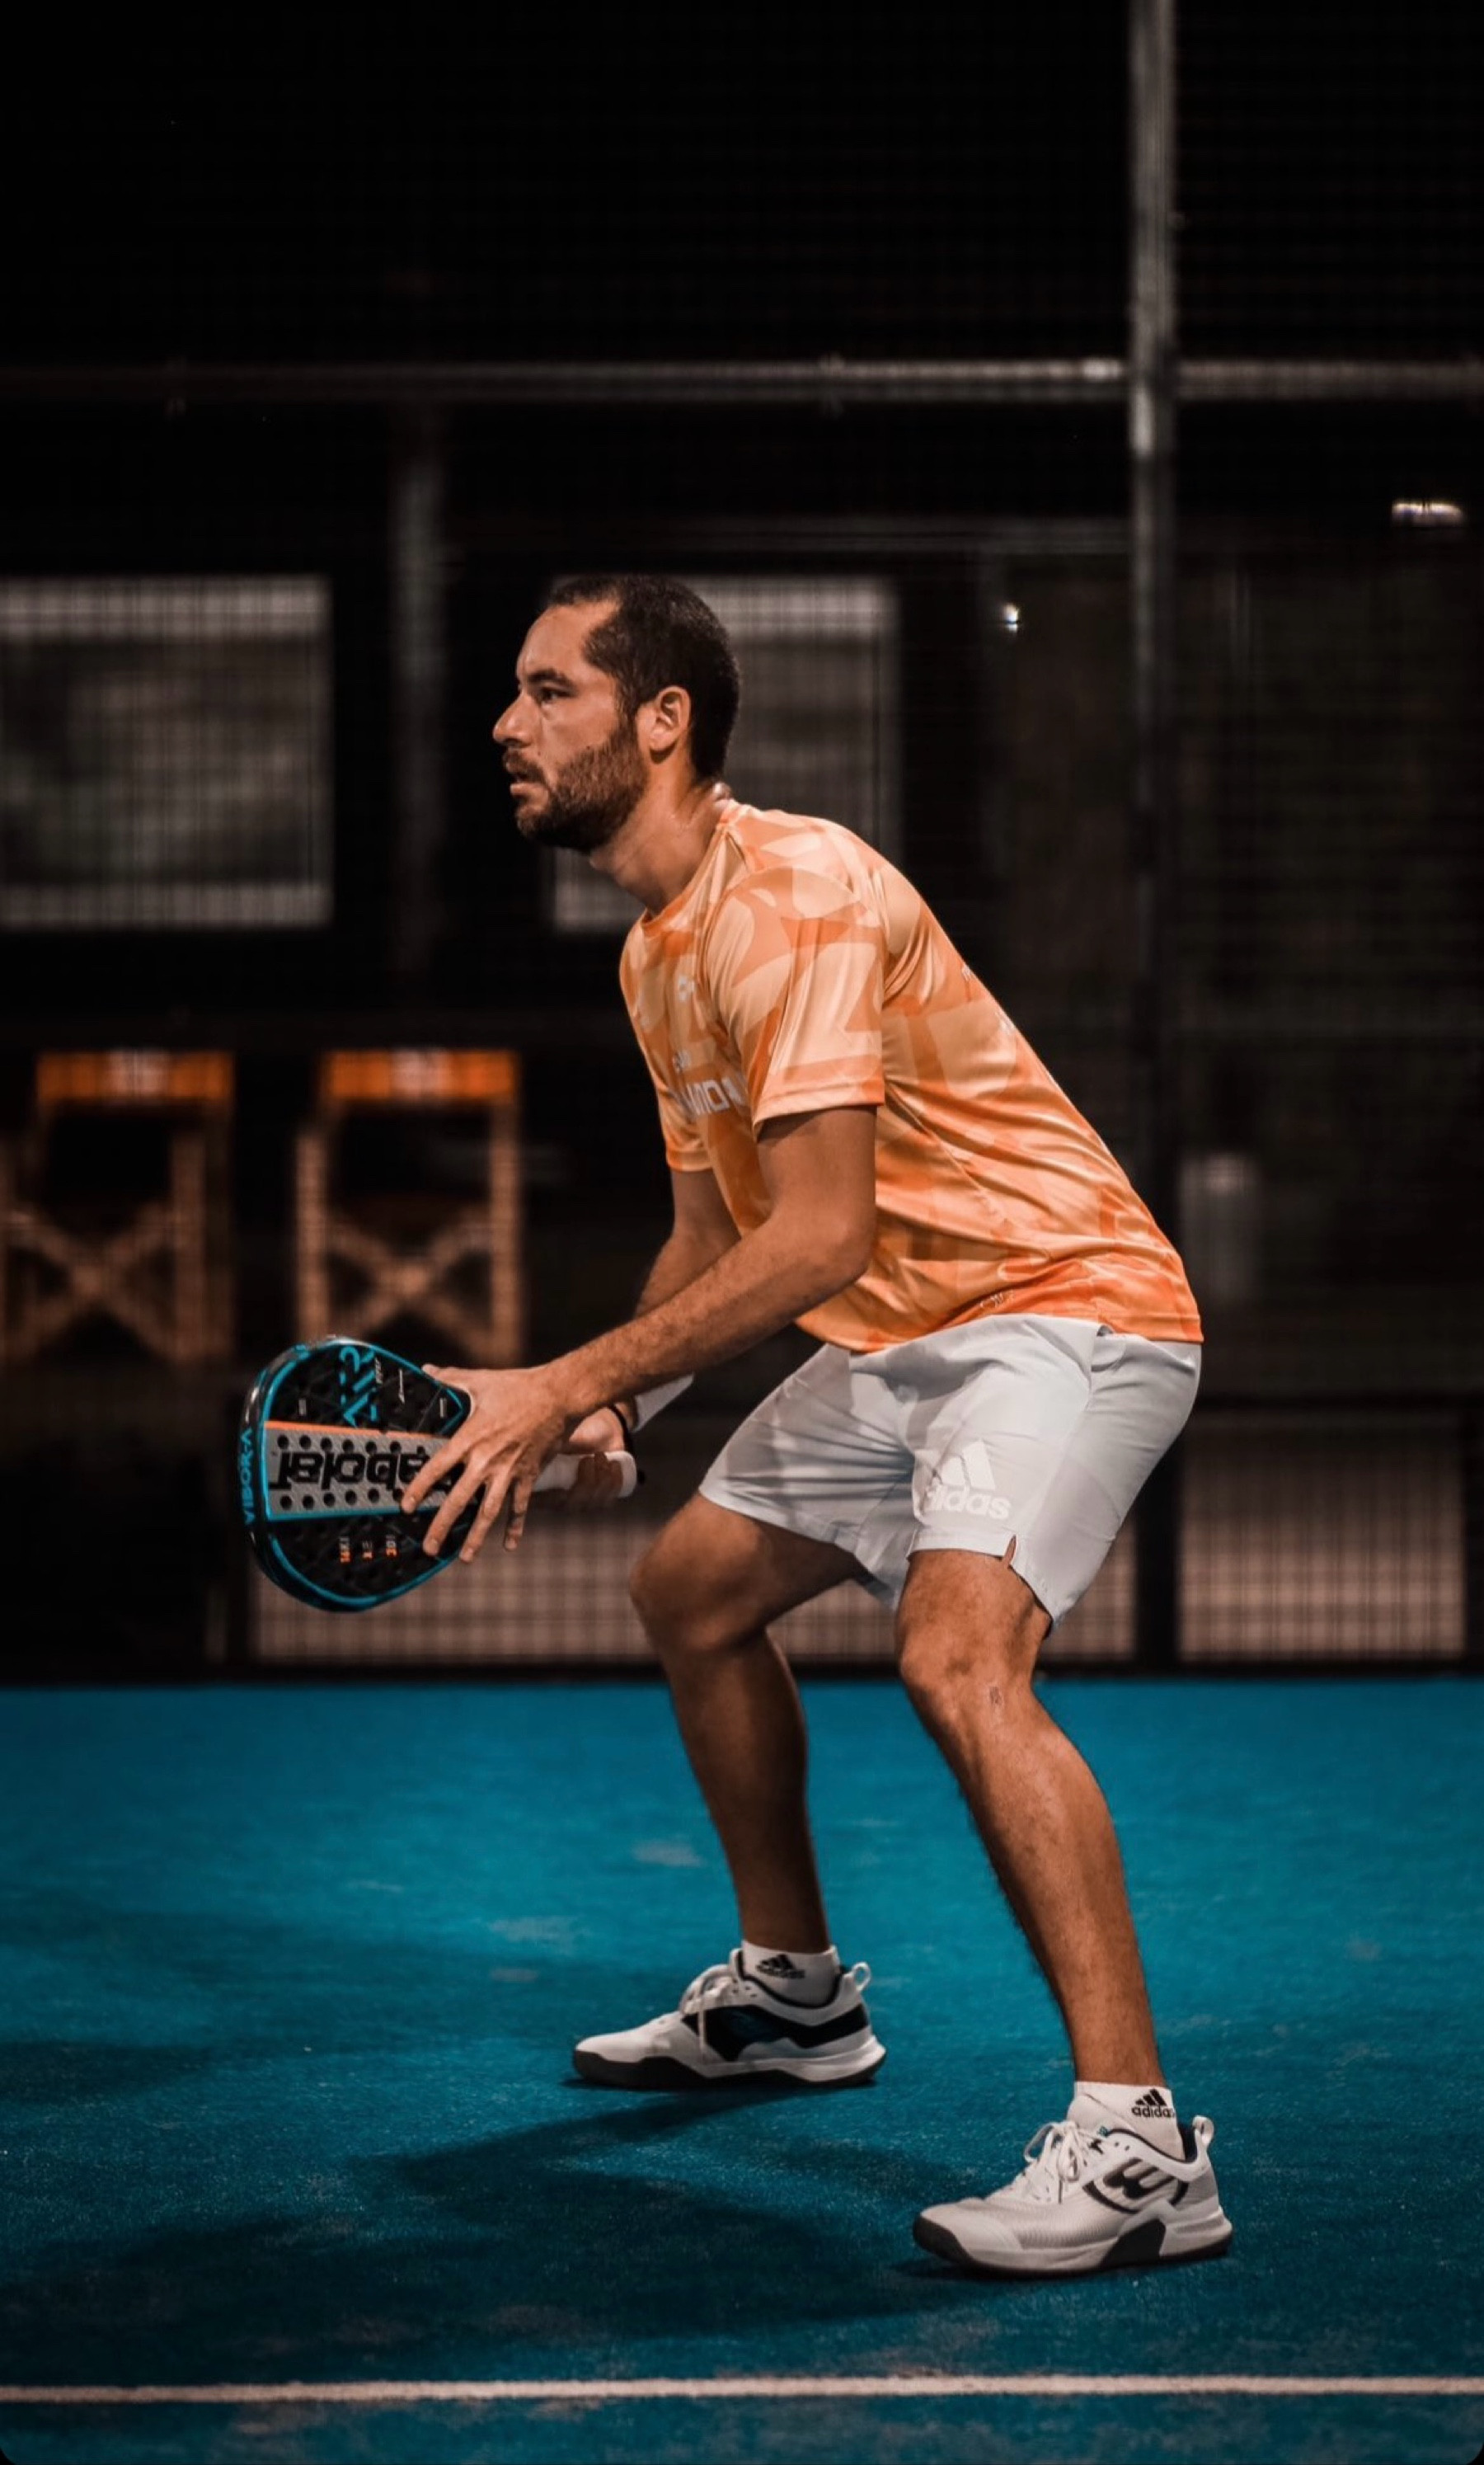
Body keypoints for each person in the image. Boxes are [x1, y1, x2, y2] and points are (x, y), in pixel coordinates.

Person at [402, 573, 1233, 2279]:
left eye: (549, 691)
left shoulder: (796, 890)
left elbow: (820, 1237)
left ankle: (1143, 2147)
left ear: (662, 721)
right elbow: (717, 1238)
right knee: (691, 1589)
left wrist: (553, 1381)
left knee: (957, 1657)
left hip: (1065, 1304)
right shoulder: (658, 951)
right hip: (911, 1332)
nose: (506, 724)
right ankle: (794, 1997)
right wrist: (612, 1402)